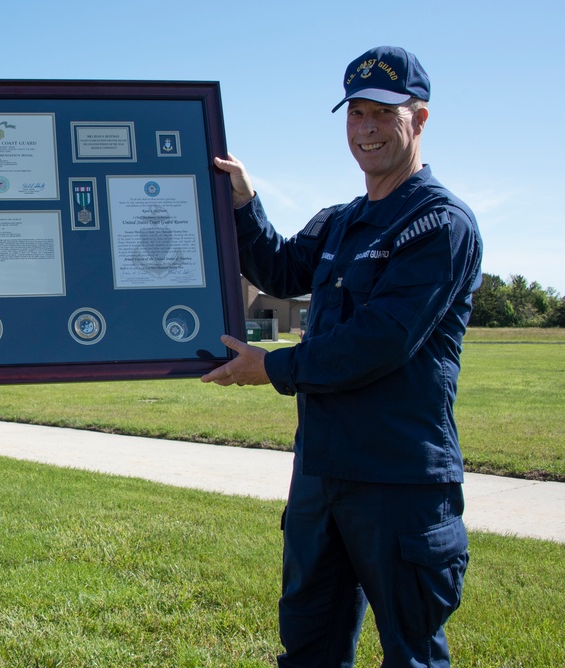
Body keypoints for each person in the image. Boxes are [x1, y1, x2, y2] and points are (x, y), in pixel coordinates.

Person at [203, 46, 481, 666]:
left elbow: (379, 341)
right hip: (322, 477)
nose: (367, 128)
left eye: (384, 112)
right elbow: (277, 266)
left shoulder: (440, 224)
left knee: (412, 653)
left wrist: (271, 367)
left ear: (421, 118)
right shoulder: (341, 221)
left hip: (399, 481)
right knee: (309, 646)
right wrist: (245, 202)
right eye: (355, 112)